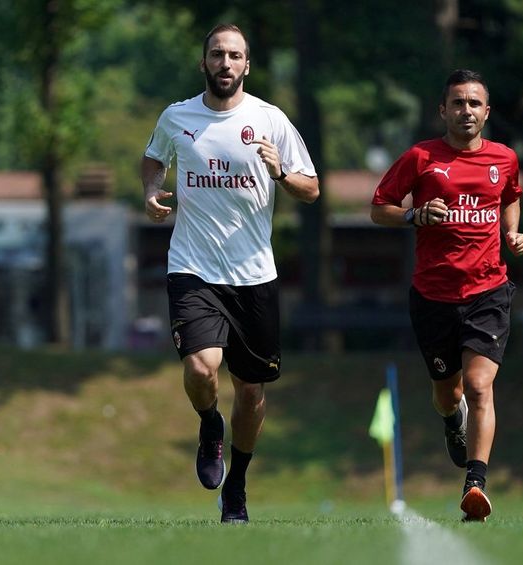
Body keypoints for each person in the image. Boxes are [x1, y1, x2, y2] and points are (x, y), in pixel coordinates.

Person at [141, 24, 319, 524]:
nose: (225, 63)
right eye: (216, 54)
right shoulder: (178, 116)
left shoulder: (270, 119)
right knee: (201, 367)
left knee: (252, 392)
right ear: (204, 63)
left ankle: (236, 486)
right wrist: (151, 192)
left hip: (255, 277)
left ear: (246, 66)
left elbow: (312, 189)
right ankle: (207, 424)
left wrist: (281, 171)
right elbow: (153, 159)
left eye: (234, 55)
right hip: (193, 268)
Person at [370, 69, 523, 522]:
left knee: (480, 386)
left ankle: (475, 484)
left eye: (474, 104)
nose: (466, 111)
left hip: (488, 291)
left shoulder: (504, 158)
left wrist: (511, 233)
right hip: (433, 296)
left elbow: (510, 195)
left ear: (487, 112)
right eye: (458, 103)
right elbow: (379, 208)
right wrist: (414, 215)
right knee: (448, 393)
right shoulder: (420, 158)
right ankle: (450, 422)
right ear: (443, 110)